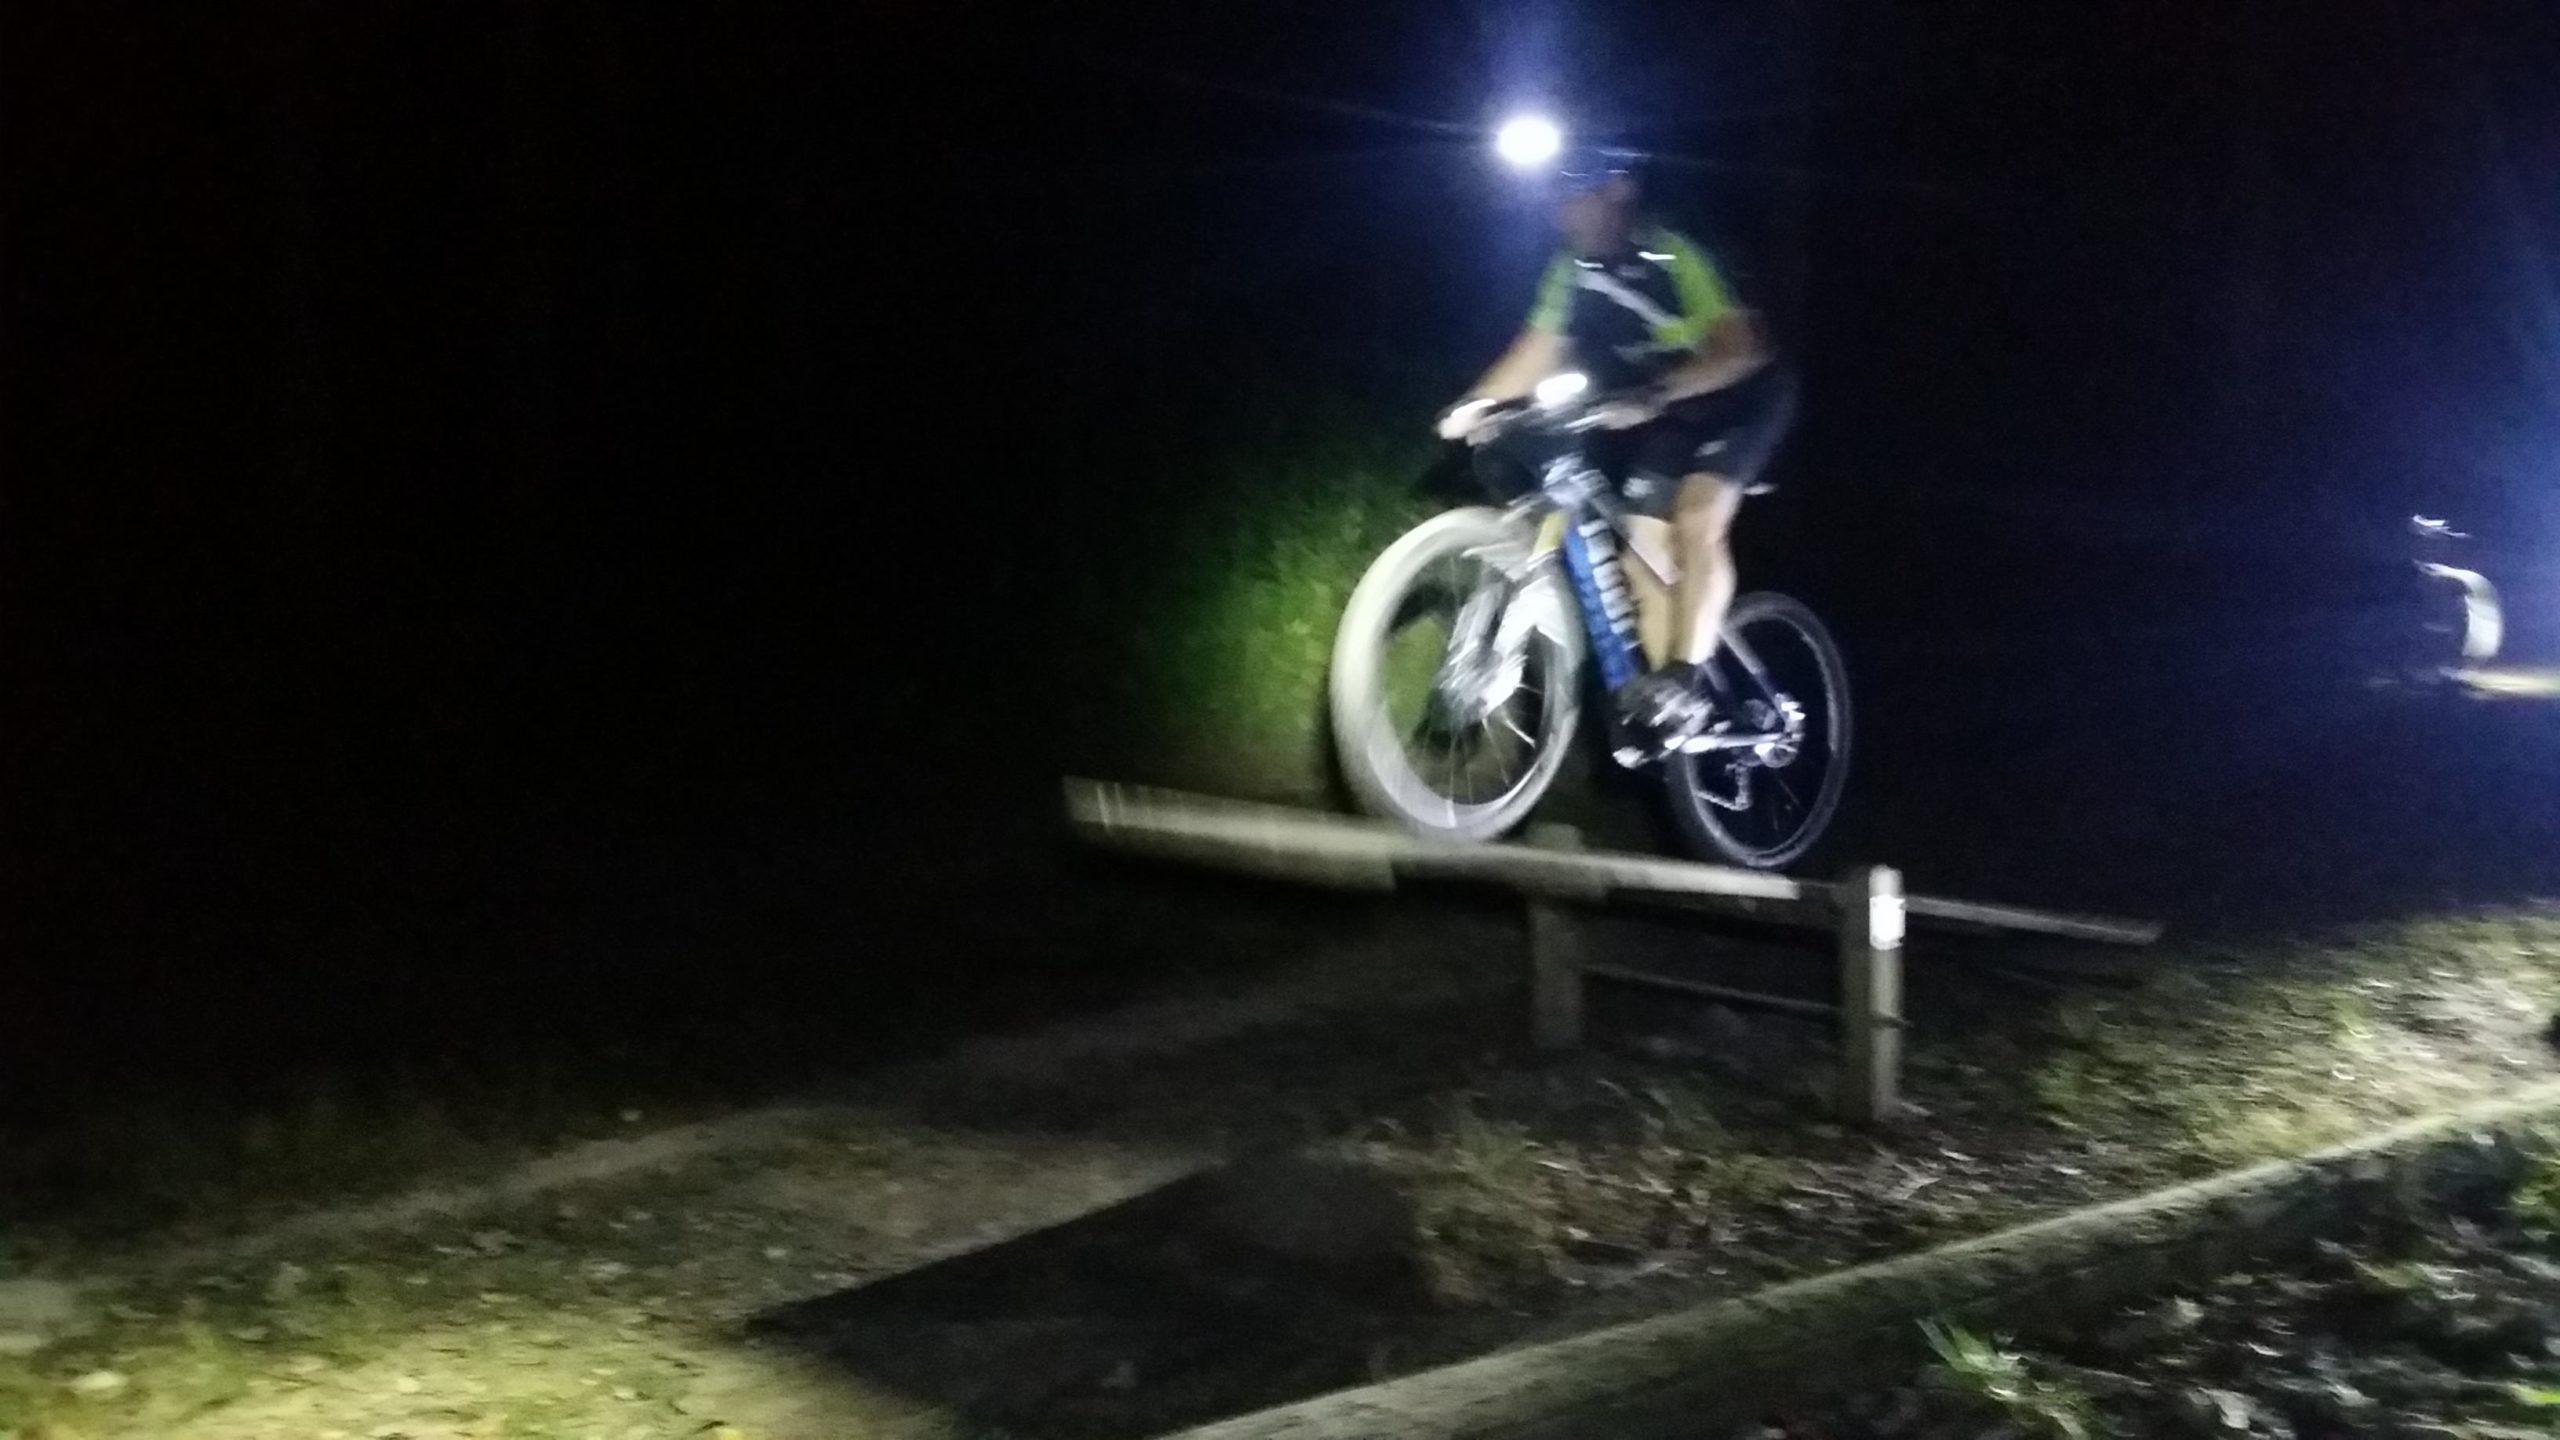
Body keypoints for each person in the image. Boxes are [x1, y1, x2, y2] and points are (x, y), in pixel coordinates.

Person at [1437, 145, 1795, 751]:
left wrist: (1654, 393)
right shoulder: (1570, 267)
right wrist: (1477, 403)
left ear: (1618, 193)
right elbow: (1539, 346)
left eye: (1575, 195)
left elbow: (1740, 348)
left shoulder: (1673, 247)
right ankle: (1668, 704)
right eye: (1556, 198)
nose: (1561, 211)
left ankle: (1686, 677)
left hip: (1744, 396)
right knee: (1638, 548)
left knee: (1695, 518)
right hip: (1670, 408)